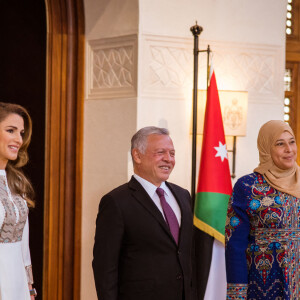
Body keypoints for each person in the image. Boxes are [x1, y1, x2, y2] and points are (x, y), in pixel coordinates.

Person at [92, 126, 196, 300]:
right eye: (160, 152)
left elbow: (188, 256)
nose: (168, 159)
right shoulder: (116, 202)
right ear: (137, 155)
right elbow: (105, 267)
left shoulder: (183, 195)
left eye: (172, 153)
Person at [225, 120, 300, 299]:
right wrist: (237, 294)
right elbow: (235, 245)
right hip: (264, 285)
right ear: (266, 148)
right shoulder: (247, 186)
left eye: (292, 141)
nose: (289, 150)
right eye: (280, 144)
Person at [0, 102, 37, 299]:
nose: (18, 139)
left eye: (21, 133)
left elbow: (24, 242)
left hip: (18, 284)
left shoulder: (18, 181)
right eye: (11, 130)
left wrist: (29, 287)